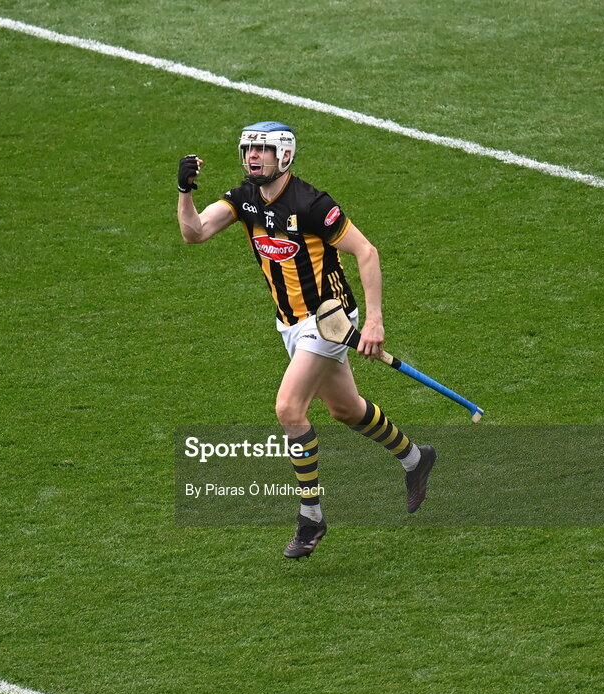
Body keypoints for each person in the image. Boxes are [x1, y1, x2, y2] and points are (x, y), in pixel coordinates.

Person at [176, 121, 436, 559]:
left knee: (288, 408)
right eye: (248, 150)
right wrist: (185, 190)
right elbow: (194, 232)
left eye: (262, 150)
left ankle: (310, 517)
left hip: (328, 318)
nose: (252, 157)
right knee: (346, 409)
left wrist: (374, 322)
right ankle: (416, 459)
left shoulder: (312, 203)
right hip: (290, 323)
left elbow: (366, 252)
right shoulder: (244, 198)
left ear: (285, 156)